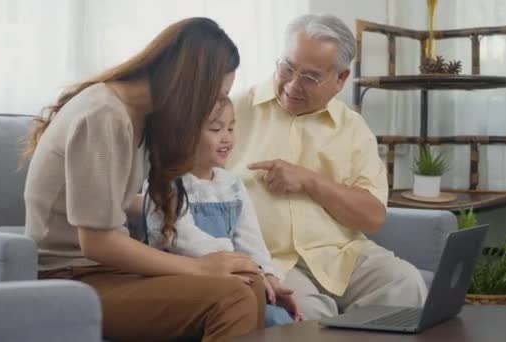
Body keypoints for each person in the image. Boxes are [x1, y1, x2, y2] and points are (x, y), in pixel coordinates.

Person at [23, 17, 266, 341]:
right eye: (218, 94)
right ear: (192, 82)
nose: (219, 106)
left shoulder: (138, 114)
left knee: (250, 279)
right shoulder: (104, 115)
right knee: (233, 296)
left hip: (103, 272)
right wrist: (200, 267)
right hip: (68, 277)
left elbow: (115, 204)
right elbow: (96, 241)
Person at [227, 14, 428, 320]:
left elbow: (373, 216)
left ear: (341, 79)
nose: (293, 84)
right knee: (309, 312)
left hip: (340, 254)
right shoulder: (235, 111)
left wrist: (309, 181)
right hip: (271, 259)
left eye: (310, 77)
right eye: (287, 67)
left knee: (406, 282)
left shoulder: (352, 128)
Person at [146, 98, 304, 328]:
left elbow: (251, 241)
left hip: (235, 276)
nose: (227, 137)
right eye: (215, 129)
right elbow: (185, 240)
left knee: (282, 319)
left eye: (231, 128)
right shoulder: (166, 184)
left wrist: (269, 277)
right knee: (268, 319)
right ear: (183, 134)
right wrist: (248, 268)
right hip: (186, 283)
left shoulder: (232, 185)